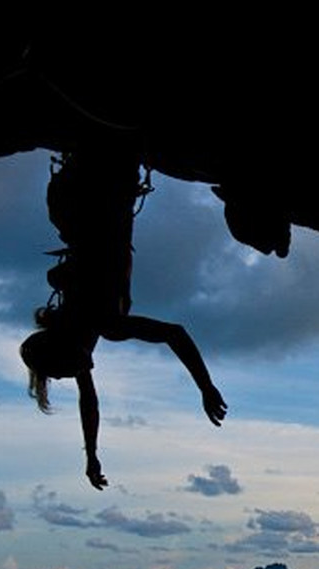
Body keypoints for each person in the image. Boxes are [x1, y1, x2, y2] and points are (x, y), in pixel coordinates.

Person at [19, 150, 226, 490]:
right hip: (78, 197)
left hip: (104, 191)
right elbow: (89, 401)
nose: (84, 369)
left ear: (68, 349)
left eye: (71, 368)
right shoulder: (75, 321)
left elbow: (175, 333)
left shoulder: (103, 322)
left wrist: (205, 387)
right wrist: (91, 456)